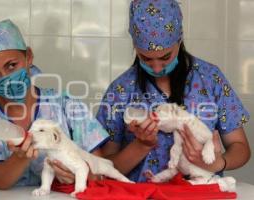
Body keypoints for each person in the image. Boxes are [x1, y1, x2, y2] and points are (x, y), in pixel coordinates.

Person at [96, 0, 251, 182]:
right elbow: (102, 168)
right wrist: (141, 146)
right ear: (135, 47)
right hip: (143, 194)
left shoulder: (210, 78)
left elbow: (240, 147)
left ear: (179, 40)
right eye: (145, 58)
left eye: (165, 57)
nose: (156, 68)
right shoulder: (121, 90)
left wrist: (219, 163)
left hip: (200, 193)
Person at [0, 19, 110, 189]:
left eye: (12, 65)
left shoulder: (67, 105)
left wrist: (78, 174)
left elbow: (98, 170)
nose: (6, 78)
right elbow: (1, 181)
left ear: (29, 57)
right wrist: (20, 157)